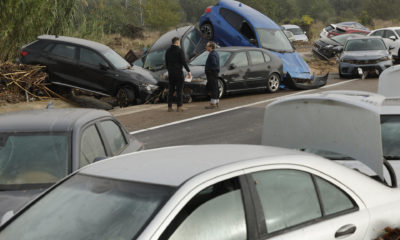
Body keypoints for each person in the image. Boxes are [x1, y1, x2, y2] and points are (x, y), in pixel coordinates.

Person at [165, 37, 191, 112]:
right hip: (178, 73)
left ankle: (169, 107)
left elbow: (166, 62)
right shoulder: (179, 50)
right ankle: (179, 106)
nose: (179, 43)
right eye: (179, 42)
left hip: (171, 73)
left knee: (171, 90)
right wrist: (188, 71)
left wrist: (169, 70)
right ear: (177, 42)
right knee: (179, 90)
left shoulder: (168, 50)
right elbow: (183, 61)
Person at [204, 41, 220, 109]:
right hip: (214, 73)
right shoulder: (215, 53)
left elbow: (214, 63)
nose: (206, 47)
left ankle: (212, 104)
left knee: (213, 88)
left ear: (210, 47)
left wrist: (210, 70)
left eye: (207, 46)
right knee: (215, 87)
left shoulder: (212, 54)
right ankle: (216, 102)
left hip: (212, 73)